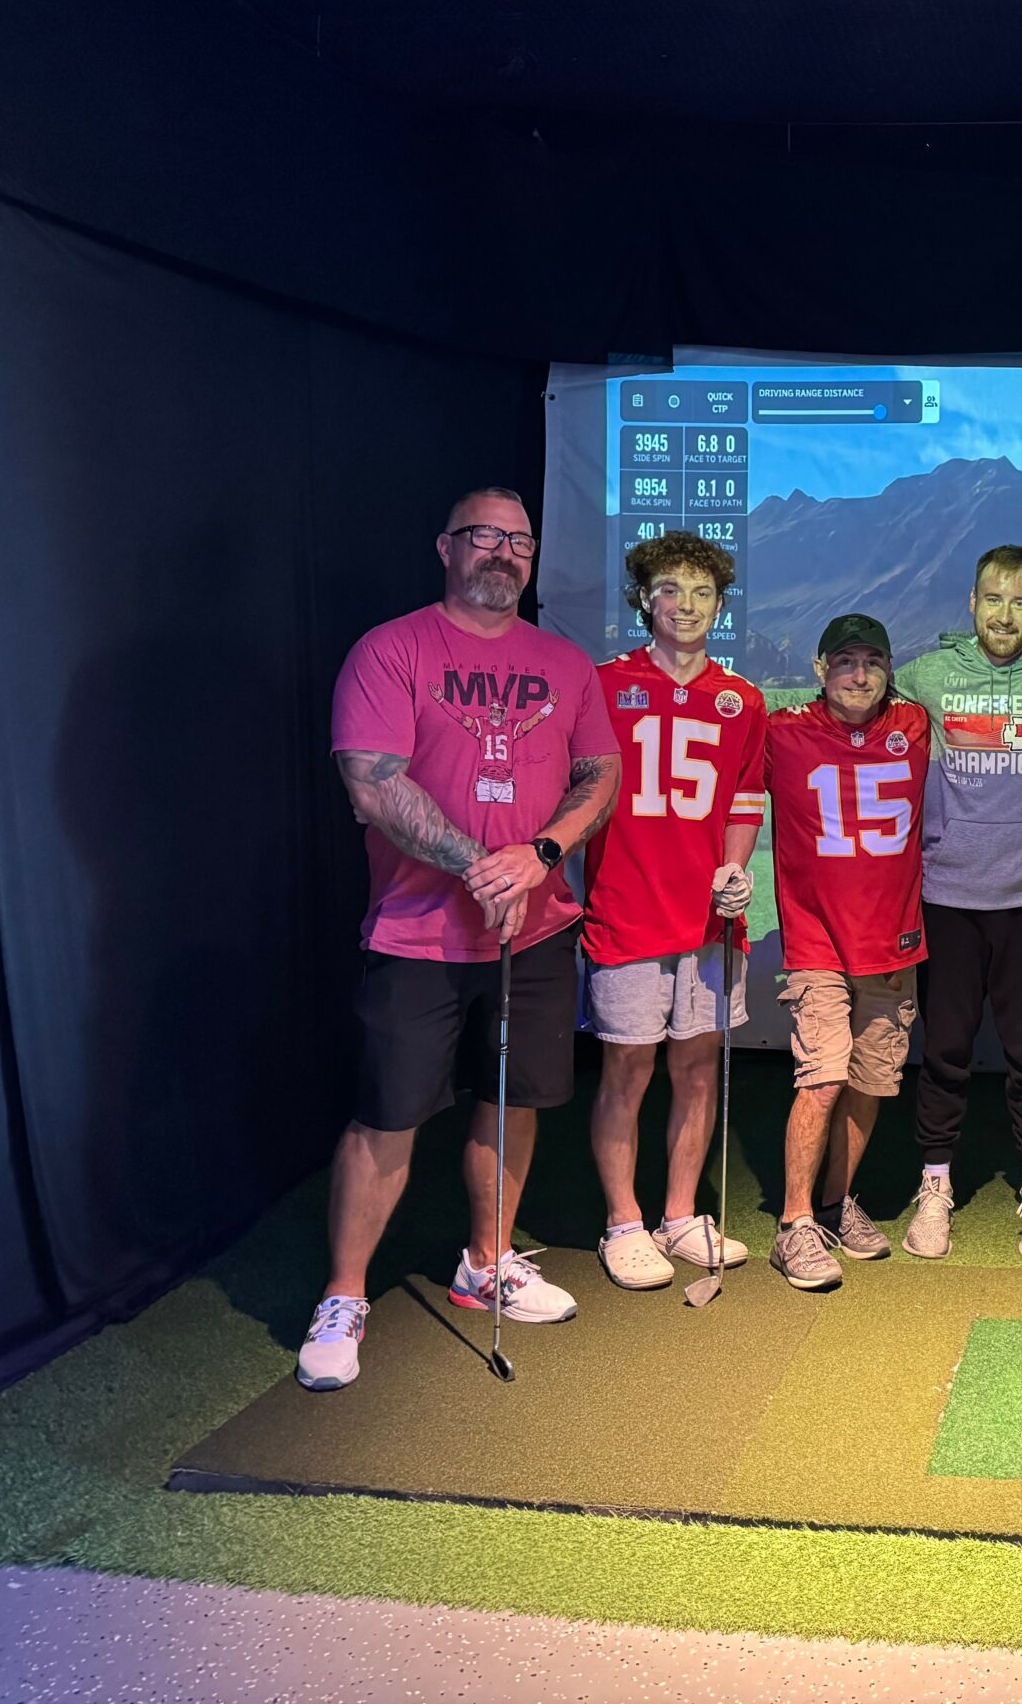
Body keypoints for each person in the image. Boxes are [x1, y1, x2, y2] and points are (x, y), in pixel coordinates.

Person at [301, 488, 620, 1390]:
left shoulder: (564, 663)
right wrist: (486, 867)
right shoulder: (392, 649)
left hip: (537, 931)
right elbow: (372, 781)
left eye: (520, 540)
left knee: (511, 1098)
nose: (504, 552)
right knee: (387, 1116)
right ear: (446, 547)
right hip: (419, 935)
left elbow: (601, 772)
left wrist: (540, 854)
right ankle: (344, 1293)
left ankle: (487, 1261)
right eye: (485, 535)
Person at [895, 544, 1022, 1259]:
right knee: (945, 1050)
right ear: (972, 602)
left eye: (1020, 601)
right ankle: (935, 1183)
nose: (1005, 614)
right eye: (993, 598)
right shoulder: (926, 676)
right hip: (947, 896)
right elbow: (853, 701)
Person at [579, 533, 767, 1288]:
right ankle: (623, 1221)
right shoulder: (603, 683)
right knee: (626, 1069)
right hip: (626, 908)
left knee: (696, 1068)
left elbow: (745, 798)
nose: (685, 605)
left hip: (708, 918)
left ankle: (680, 1213)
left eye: (701, 592)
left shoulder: (742, 698)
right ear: (643, 599)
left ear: (720, 605)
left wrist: (735, 868)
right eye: (669, 589)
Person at [760, 616, 933, 1290]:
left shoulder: (914, 723)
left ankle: (834, 1202)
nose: (860, 675)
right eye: (845, 662)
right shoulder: (783, 732)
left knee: (869, 1081)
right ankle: (795, 1223)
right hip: (817, 941)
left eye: (873, 662)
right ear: (820, 667)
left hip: (892, 939)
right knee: (824, 1077)